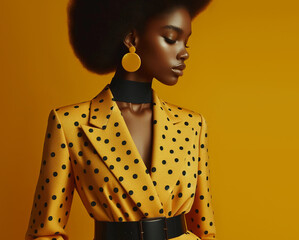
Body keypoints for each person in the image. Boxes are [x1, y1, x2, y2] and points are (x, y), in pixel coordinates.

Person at [24, 0, 217, 239]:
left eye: (186, 41)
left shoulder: (192, 125)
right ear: (132, 39)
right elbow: (44, 231)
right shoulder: (70, 124)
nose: (184, 52)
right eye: (170, 38)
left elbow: (204, 229)